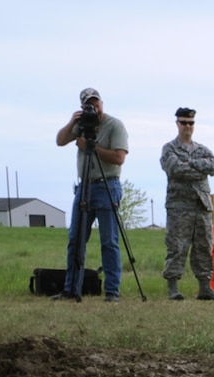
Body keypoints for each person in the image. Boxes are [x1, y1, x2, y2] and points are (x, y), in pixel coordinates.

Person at [54, 87, 130, 302]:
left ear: (102, 103)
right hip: (84, 186)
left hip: (107, 185)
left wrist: (91, 146)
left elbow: (118, 158)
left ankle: (112, 291)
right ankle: (71, 290)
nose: (93, 108)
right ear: (82, 107)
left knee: (109, 241)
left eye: (96, 103)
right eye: (89, 104)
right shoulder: (81, 125)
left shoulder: (115, 125)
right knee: (76, 239)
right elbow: (60, 141)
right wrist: (72, 123)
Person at [159, 108, 214, 301]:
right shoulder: (169, 148)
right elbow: (174, 169)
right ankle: (173, 288)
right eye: (184, 122)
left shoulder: (202, 149)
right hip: (179, 206)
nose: (188, 126)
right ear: (177, 124)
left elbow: (213, 166)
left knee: (204, 246)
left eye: (191, 123)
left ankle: (205, 288)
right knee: (177, 247)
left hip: (202, 206)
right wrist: (198, 167)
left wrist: (189, 164)